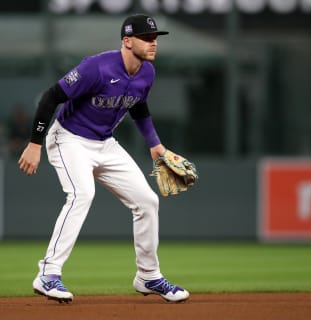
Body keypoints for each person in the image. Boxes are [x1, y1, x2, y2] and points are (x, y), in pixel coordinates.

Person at [18, 14, 189, 303]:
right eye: (147, 38)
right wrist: (34, 144)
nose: (153, 43)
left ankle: (148, 276)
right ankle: (48, 273)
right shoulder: (96, 67)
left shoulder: (147, 73)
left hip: (105, 143)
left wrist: (155, 146)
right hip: (68, 138)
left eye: (155, 38)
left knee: (147, 202)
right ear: (127, 41)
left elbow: (138, 106)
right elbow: (51, 96)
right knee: (81, 194)